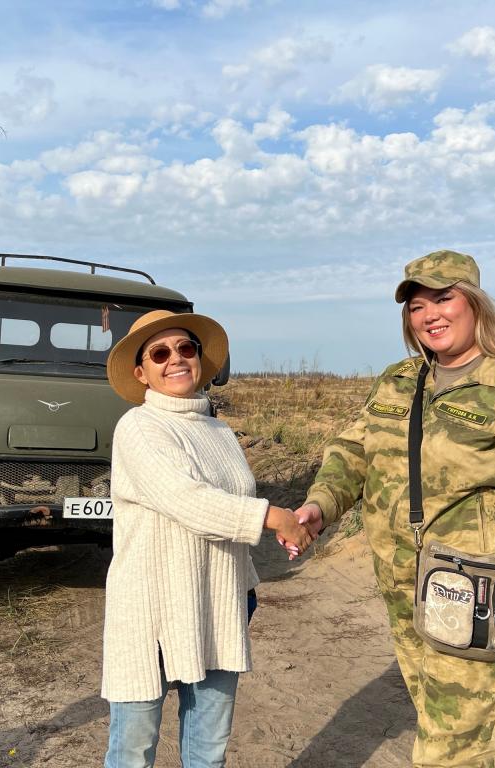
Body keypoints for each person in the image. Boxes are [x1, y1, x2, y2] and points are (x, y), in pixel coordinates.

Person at [294, 250, 495, 767]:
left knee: (450, 753)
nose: (430, 315)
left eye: (443, 299)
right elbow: (353, 451)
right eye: (416, 305)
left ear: (474, 303)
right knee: (462, 737)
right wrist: (321, 505)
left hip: (474, 592)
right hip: (404, 589)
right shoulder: (399, 380)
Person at [101, 309, 313, 768]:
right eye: (160, 353)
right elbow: (188, 501)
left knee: (208, 750)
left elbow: (229, 504)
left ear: (199, 358)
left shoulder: (218, 430)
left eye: (186, 348)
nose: (175, 359)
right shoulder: (139, 427)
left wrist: (247, 585)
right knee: (134, 750)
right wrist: (273, 517)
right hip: (153, 609)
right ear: (141, 373)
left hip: (217, 603)